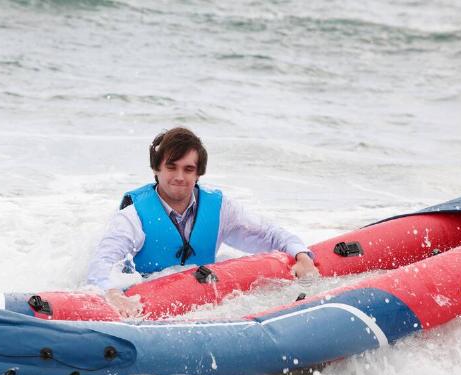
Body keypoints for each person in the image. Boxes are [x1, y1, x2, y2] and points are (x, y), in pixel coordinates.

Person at [86, 127, 319, 315]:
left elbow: (268, 233)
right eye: (171, 167)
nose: (179, 177)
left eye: (188, 169)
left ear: (198, 173)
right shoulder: (132, 216)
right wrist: (115, 296)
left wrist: (301, 255)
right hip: (148, 305)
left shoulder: (220, 208)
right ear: (156, 169)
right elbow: (102, 266)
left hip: (202, 303)